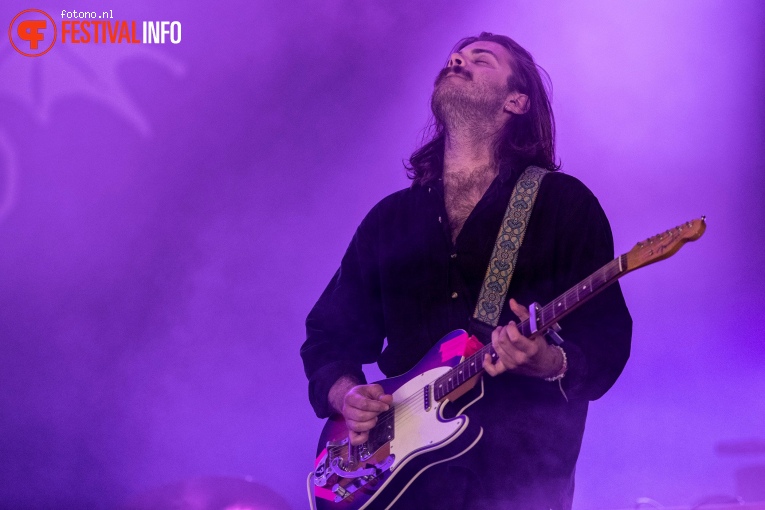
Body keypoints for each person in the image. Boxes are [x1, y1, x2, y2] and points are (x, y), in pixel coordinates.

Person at [300, 32, 632, 509]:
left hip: (516, 476)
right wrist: (347, 394)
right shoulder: (390, 219)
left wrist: (548, 362)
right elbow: (328, 336)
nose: (458, 59)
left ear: (516, 101)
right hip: (395, 486)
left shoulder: (564, 205)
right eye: (456, 55)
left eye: (482, 59)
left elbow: (607, 338)